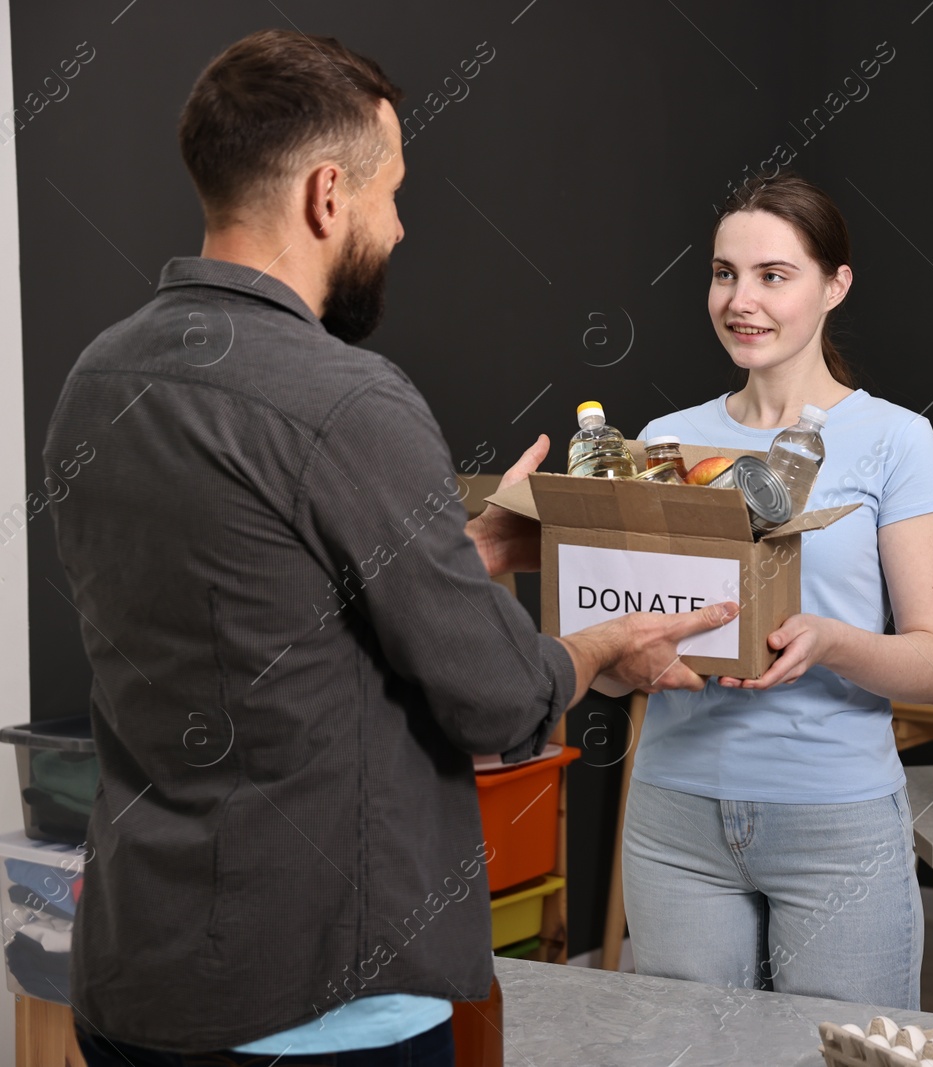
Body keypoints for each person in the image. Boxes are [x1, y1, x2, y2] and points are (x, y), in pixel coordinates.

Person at [42, 30, 733, 1062]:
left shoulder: (97, 379)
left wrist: (467, 549)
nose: (399, 226)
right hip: (317, 1002)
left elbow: (260, 595)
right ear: (328, 194)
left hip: (134, 984)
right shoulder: (348, 398)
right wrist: (598, 651)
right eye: (391, 192)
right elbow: (498, 699)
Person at [619, 173, 933, 1009]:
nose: (742, 300)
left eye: (774, 275)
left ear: (835, 285)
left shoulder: (895, 440)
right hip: (675, 818)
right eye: (724, 272)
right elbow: (611, 653)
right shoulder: (664, 442)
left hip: (835, 824)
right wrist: (625, 660)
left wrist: (830, 642)